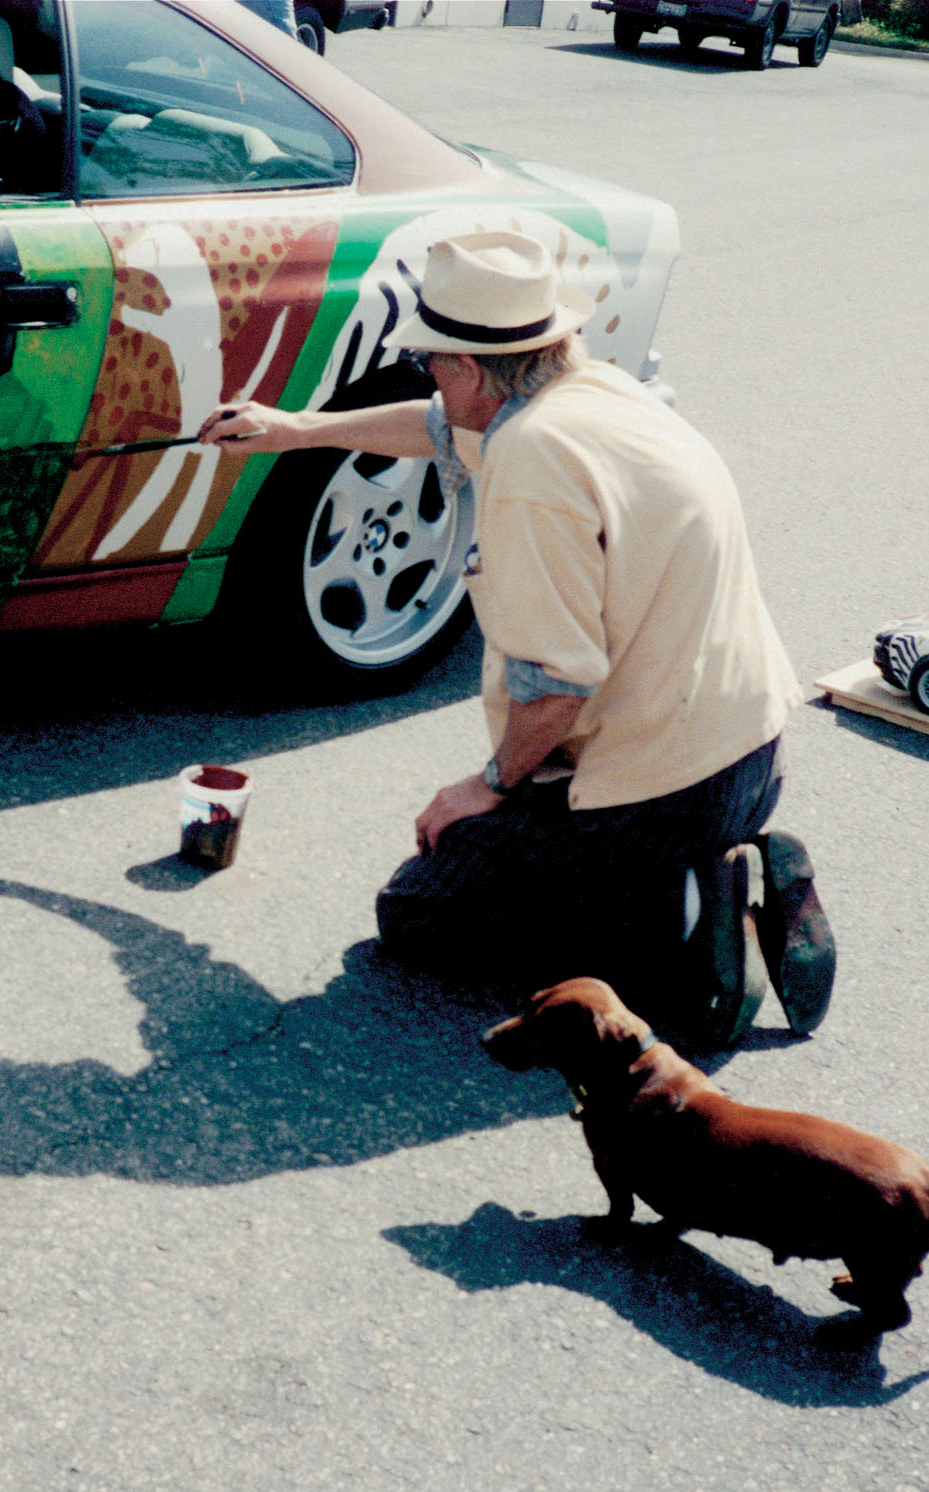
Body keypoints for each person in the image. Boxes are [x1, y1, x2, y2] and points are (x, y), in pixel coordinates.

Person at [200, 232, 833, 1047]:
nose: (427, 377)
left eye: (432, 361)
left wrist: (488, 783)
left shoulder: (533, 462)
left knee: (417, 912)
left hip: (664, 792)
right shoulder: (591, 393)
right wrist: (294, 430)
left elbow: (558, 682)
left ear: (468, 369)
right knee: (489, 861)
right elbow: (435, 427)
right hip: (751, 753)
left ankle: (687, 924)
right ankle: (698, 868)